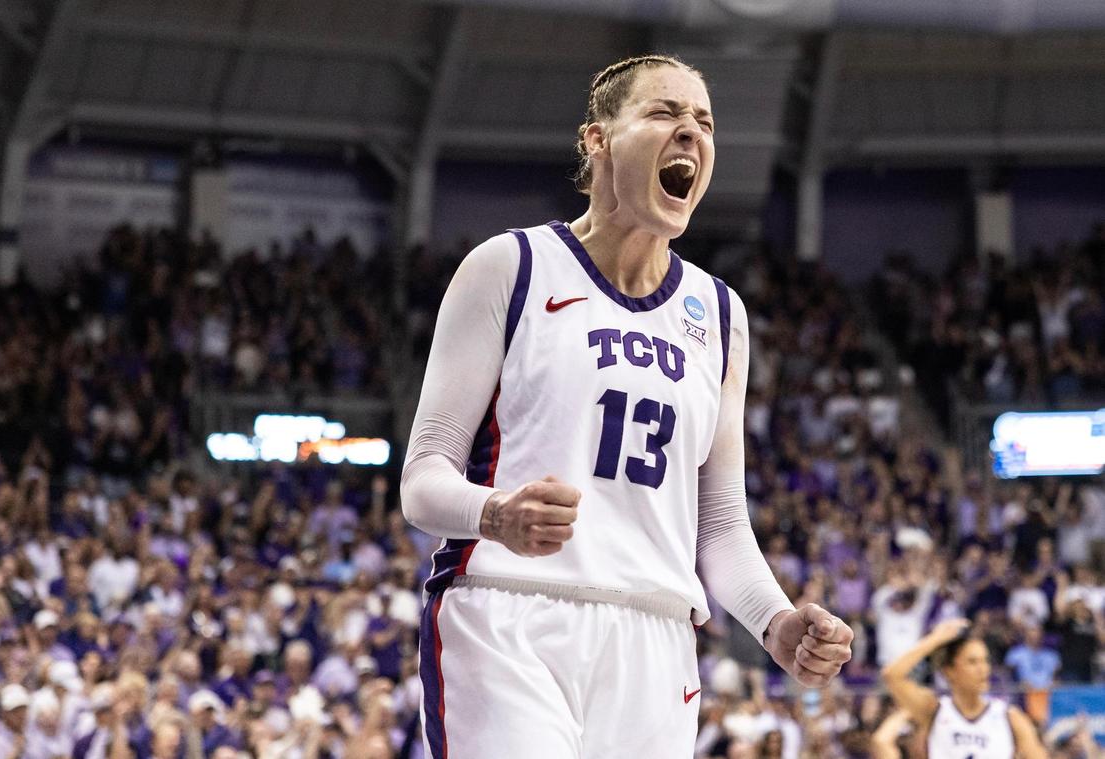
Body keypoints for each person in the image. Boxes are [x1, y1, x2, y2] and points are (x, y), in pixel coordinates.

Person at [401, 53, 853, 758]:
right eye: (664, 113)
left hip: (657, 636)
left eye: (703, 122)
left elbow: (723, 523)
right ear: (597, 140)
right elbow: (422, 476)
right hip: (508, 609)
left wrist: (775, 622)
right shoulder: (510, 267)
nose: (690, 134)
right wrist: (494, 513)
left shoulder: (720, 313)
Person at [881, 618, 1046, 758]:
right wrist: (936, 639)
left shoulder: (1010, 717)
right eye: (972, 662)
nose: (983, 669)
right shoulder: (934, 710)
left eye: (985, 661)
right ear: (949, 670)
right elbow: (892, 675)